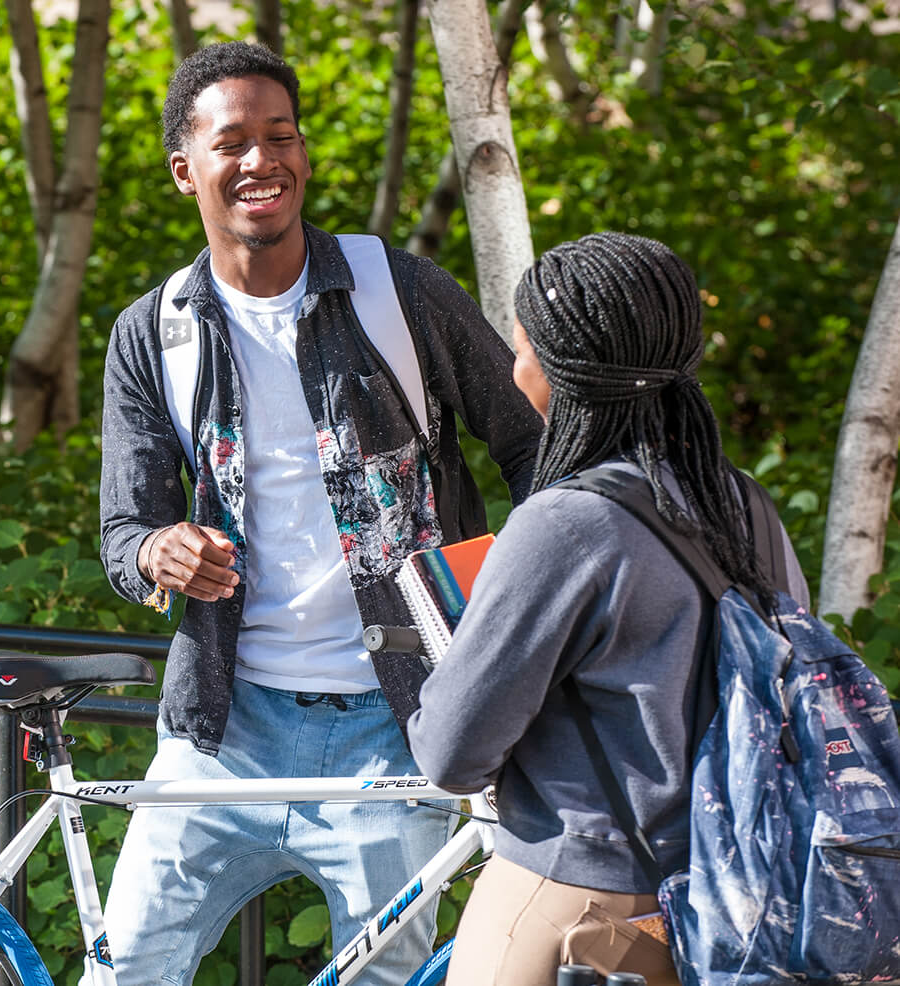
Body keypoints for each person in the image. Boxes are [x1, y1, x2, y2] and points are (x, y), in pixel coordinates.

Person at [96, 40, 542, 986]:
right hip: (220, 731)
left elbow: (532, 447)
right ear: (187, 170)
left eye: (281, 135)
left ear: (303, 153)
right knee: (127, 966)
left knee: (384, 977)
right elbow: (124, 533)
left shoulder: (399, 290)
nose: (262, 159)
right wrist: (160, 552)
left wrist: (523, 605)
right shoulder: (154, 330)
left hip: (398, 723)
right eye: (232, 143)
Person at [407, 232, 811, 986]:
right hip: (738, 895)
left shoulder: (563, 524)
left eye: (521, 346)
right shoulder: (746, 505)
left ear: (563, 374)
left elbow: (451, 755)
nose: (512, 366)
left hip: (580, 905)